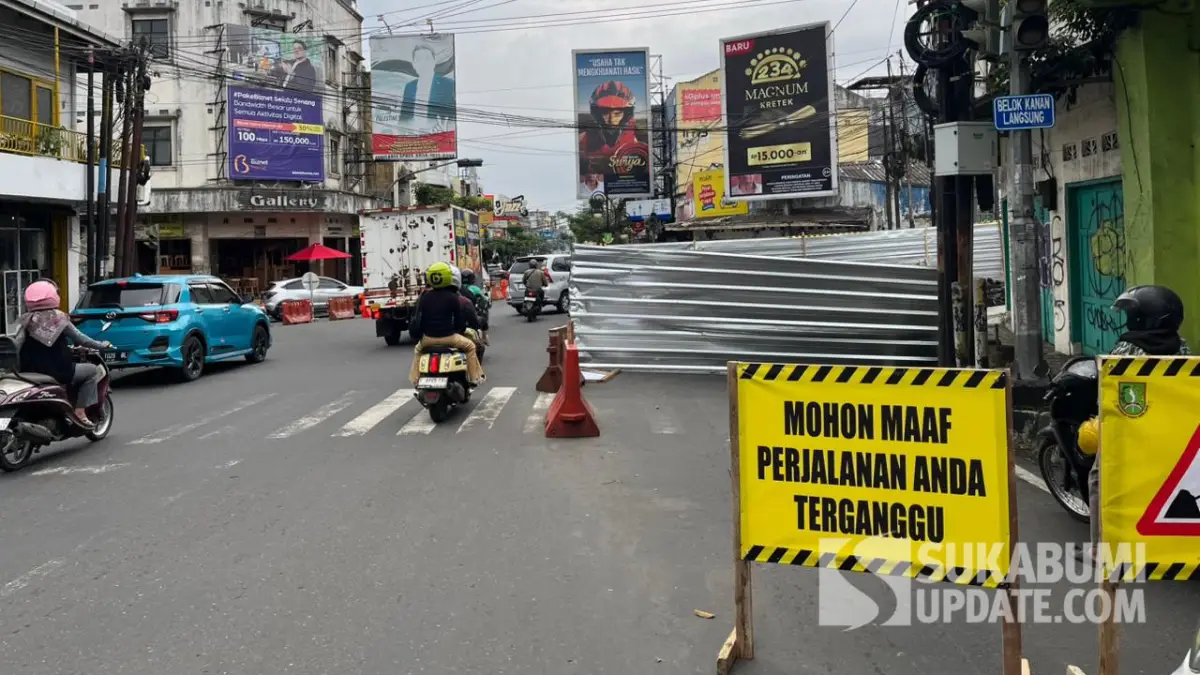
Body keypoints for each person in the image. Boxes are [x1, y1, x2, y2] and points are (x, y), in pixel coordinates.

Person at [1079, 285, 1190, 563]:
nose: (1129, 319)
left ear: (1148, 317)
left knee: (1098, 479)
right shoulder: (1182, 346)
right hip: (1173, 430)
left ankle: (1099, 549)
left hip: (1129, 432)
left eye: (1134, 313)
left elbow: (1108, 390)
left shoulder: (1127, 349)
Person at [12, 280, 111, 428]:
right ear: (53, 296)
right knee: (91, 371)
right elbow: (81, 339)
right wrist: (101, 345)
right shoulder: (59, 318)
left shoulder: (26, 320)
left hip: (29, 371)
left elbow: (16, 344)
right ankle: (80, 412)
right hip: (58, 370)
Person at [408, 262, 484, 386]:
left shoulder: (424, 297)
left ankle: (415, 379)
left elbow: (419, 319)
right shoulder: (453, 297)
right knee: (470, 347)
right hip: (450, 338)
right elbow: (459, 322)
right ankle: (475, 377)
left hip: (428, 339)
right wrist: (460, 331)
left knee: (417, 351)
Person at [578, 80, 647, 179]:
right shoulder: (583, 139)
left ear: (626, 115)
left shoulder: (639, 140)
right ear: (598, 114)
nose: (611, 119)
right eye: (605, 113)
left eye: (617, 113)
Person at [461, 269, 490, 345]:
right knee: (483, 321)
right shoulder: (475, 289)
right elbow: (485, 299)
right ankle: (484, 339)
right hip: (471, 314)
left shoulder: (457, 290)